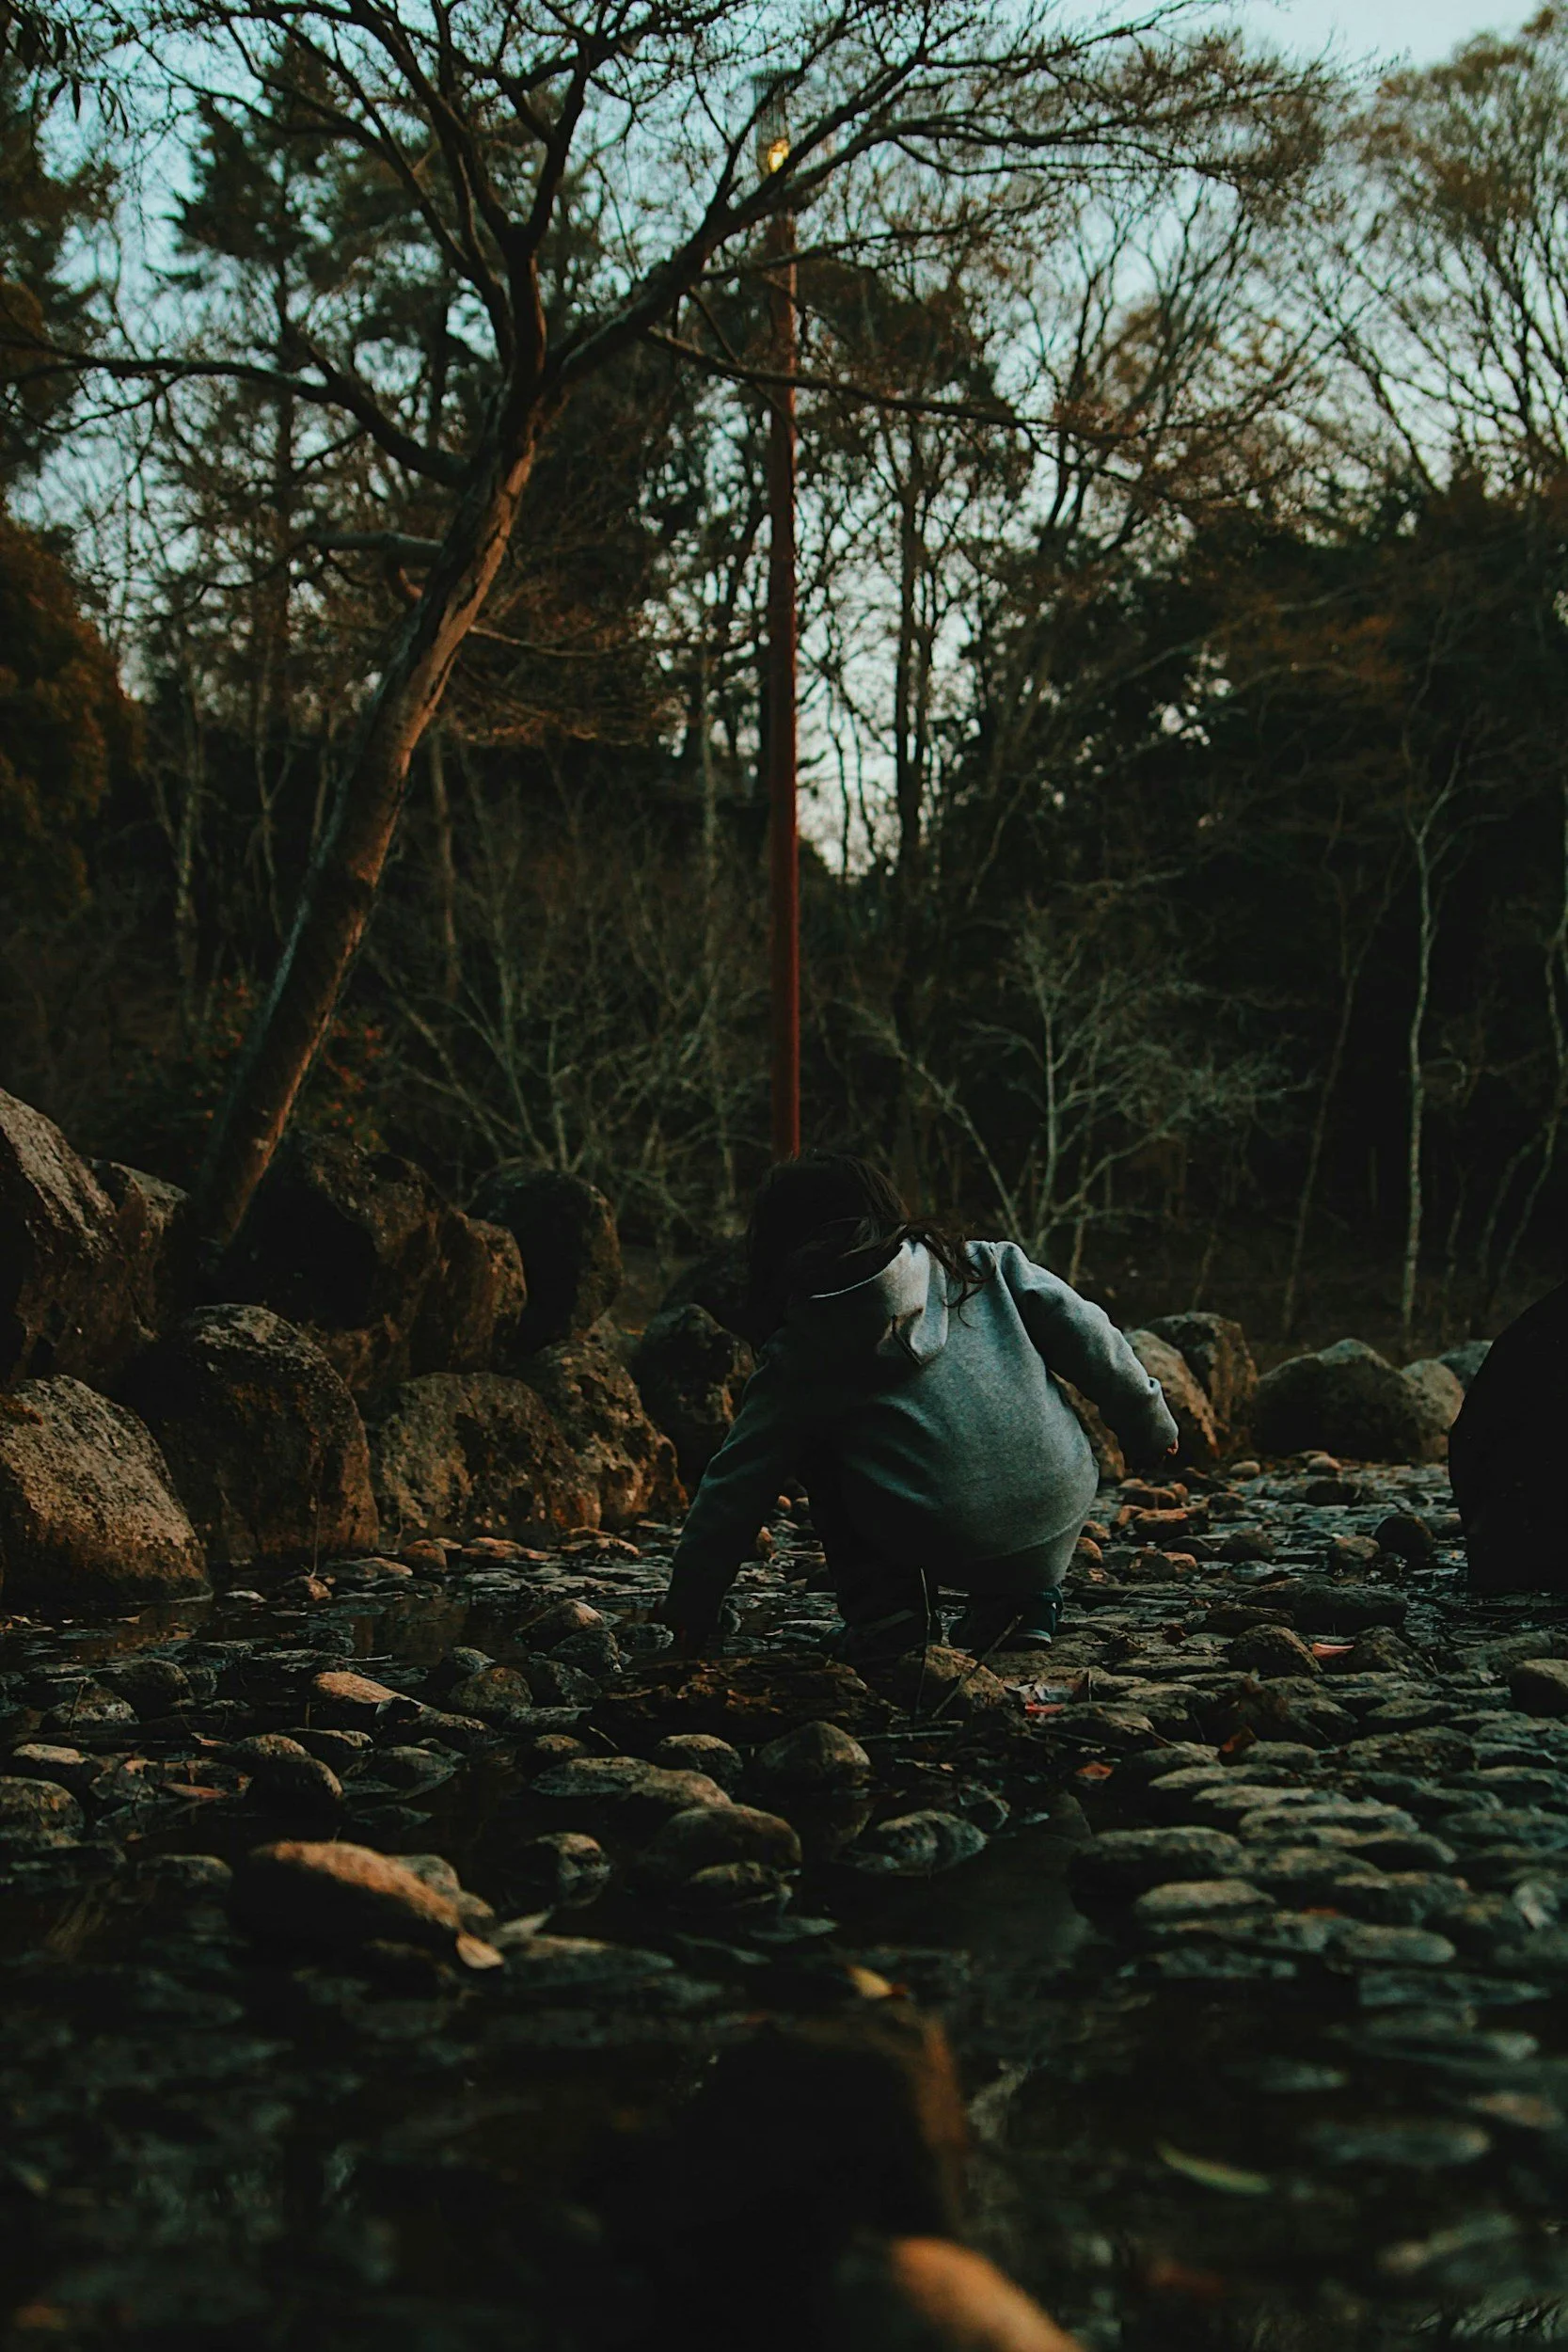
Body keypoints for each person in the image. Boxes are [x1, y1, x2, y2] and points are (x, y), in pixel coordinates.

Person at [657, 1152, 1179, 1662]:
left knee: (815, 1448)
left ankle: (887, 1617)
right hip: (1056, 1506)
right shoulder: (983, 1265)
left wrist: (691, 1605)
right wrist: (1146, 1419)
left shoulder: (800, 1354)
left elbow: (735, 1489)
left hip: (941, 1534)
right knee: (1022, 1368)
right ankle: (1022, 1604)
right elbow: (1088, 1333)